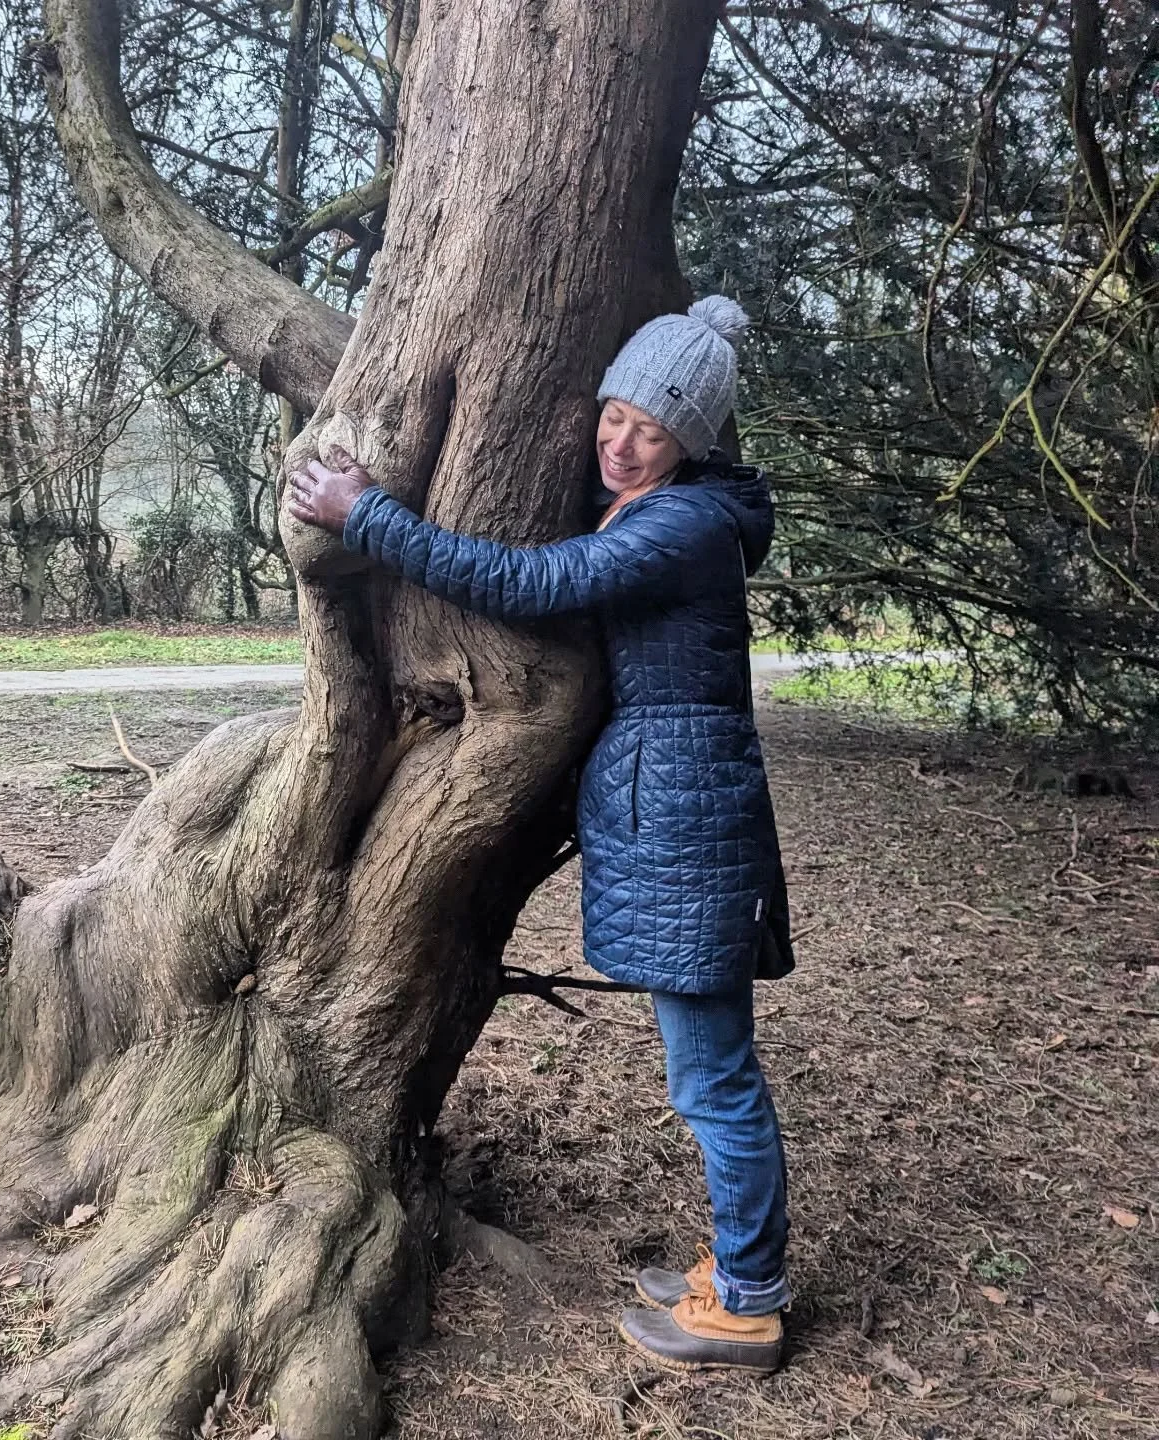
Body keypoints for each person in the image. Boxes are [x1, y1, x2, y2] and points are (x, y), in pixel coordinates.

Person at [287, 296, 794, 1375]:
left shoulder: (684, 525)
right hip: (687, 804)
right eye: (613, 415)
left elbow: (536, 582)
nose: (618, 441)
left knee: (716, 1081)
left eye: (647, 429)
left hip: (694, 821)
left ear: (689, 441)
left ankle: (748, 1302)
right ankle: (737, 1269)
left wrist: (366, 515)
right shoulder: (659, 508)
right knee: (708, 1074)